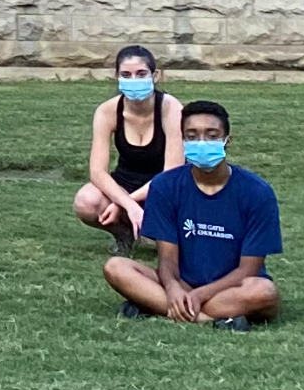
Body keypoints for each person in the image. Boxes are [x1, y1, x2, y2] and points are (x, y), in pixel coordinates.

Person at [104, 100, 280, 329]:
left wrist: (200, 295)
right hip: (182, 282)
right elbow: (167, 259)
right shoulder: (165, 186)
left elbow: (249, 269)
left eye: (212, 135)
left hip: (232, 288)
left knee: (264, 292)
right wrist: (173, 288)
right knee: (116, 267)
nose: (202, 142)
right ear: (183, 140)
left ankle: (158, 306)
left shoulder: (258, 192)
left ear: (227, 141)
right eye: (192, 135)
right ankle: (212, 319)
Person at [72, 45, 184, 255]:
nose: (134, 80)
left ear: (155, 75)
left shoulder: (172, 109)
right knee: (86, 201)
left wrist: (128, 203)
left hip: (165, 188)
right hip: (125, 181)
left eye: (141, 74)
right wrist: (127, 203)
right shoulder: (107, 111)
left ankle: (154, 235)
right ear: (117, 76)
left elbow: (171, 173)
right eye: (126, 74)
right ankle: (125, 234)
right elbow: (97, 172)